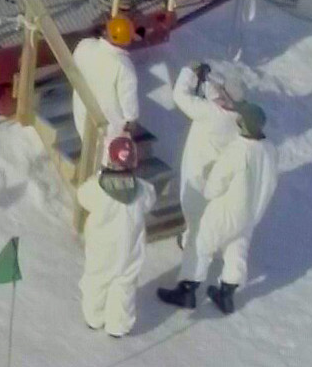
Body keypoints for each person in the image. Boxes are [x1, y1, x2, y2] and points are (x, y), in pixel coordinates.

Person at [161, 100, 276, 315]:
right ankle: (227, 293)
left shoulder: (238, 151)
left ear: (244, 124)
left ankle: (187, 289)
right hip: (250, 212)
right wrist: (256, 212)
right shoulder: (269, 150)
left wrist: (205, 186)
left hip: (226, 210)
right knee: (237, 249)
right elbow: (270, 184)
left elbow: (215, 185)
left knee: (200, 244)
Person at [78, 131, 153, 339]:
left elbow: (82, 197)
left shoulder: (97, 187)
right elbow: (150, 200)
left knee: (97, 280)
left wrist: (99, 176)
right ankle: (118, 326)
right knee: (124, 287)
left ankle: (94, 317)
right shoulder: (141, 190)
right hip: (130, 249)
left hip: (102, 248)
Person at [170, 61, 242, 252]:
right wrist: (205, 80)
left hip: (198, 168)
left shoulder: (210, 113)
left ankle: (191, 243)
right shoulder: (239, 118)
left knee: (193, 209)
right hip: (218, 172)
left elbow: (180, 96)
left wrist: (188, 73)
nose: (218, 93)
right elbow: (216, 98)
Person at [69, 10, 145, 164]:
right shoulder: (124, 67)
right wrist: (131, 121)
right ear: (126, 41)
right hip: (109, 128)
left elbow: (76, 60)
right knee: (110, 157)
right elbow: (128, 101)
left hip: (82, 114)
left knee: (94, 144)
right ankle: (106, 175)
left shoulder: (85, 47)